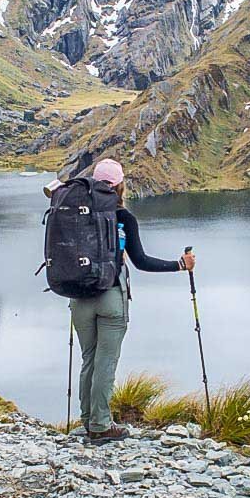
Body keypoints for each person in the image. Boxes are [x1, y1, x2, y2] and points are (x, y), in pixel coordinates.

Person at [69, 158, 196, 442]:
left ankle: (88, 418)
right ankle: (101, 425)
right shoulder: (124, 217)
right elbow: (141, 261)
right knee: (106, 361)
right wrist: (180, 264)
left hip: (78, 297)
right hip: (111, 297)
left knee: (88, 358)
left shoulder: (75, 212)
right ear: (119, 185)